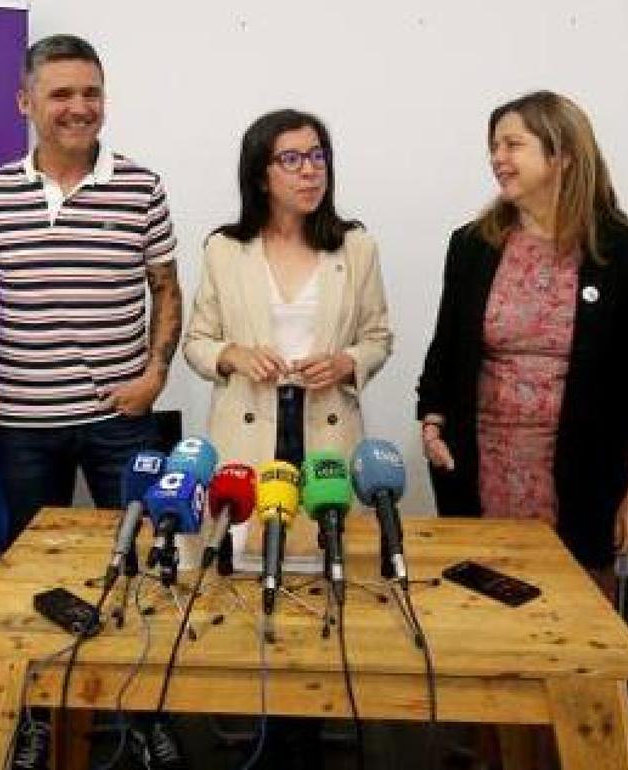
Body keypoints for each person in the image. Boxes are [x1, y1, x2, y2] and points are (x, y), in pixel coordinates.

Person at [183, 108, 392, 769]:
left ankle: (305, 735)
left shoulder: (355, 245)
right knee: (251, 578)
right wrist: (232, 356)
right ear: (261, 173)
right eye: (293, 159)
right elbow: (197, 340)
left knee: (317, 577)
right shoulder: (224, 246)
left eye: (319, 156)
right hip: (249, 438)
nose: (310, 171)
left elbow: (379, 334)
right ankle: (268, 730)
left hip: (325, 430)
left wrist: (350, 362)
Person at [416, 90, 628, 595]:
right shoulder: (472, 244)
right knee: (483, 601)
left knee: (575, 609)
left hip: (583, 468)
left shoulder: (621, 248)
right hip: (484, 461)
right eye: (494, 147)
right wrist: (432, 419)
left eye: (513, 145)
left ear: (562, 154)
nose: (497, 159)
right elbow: (447, 345)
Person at [0, 34, 181, 536]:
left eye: (91, 93)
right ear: (24, 102)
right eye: (61, 95)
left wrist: (155, 377)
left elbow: (165, 289)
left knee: (141, 552)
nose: (79, 108)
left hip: (122, 418)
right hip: (25, 424)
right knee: (30, 561)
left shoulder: (142, 187)